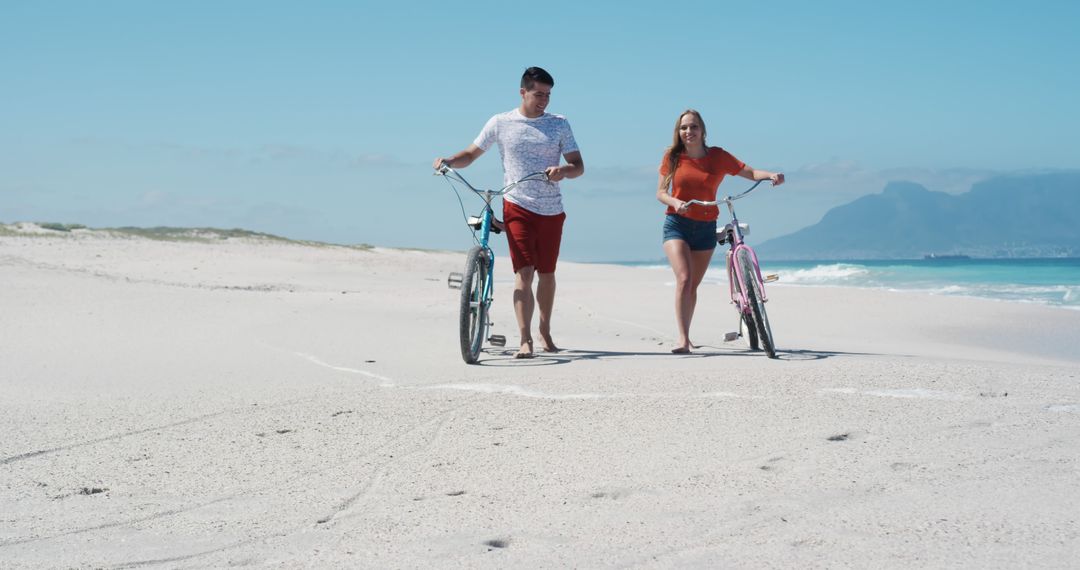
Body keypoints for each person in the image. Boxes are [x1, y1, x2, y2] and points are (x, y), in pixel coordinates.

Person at [433, 67, 584, 359]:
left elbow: (578, 165)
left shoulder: (559, 124)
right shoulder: (501, 122)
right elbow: (471, 154)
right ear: (523, 92)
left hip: (552, 208)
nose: (544, 101)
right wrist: (448, 160)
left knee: (547, 273)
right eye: (538, 94)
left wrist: (563, 171)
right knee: (524, 272)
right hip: (517, 204)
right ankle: (525, 338)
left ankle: (544, 331)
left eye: (548, 95)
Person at [656, 109, 784, 354]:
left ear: (702, 130)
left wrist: (771, 176)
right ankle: (683, 340)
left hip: (705, 226)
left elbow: (748, 172)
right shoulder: (672, 157)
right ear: (678, 132)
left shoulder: (718, 156)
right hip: (677, 224)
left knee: (692, 285)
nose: (688, 132)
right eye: (684, 128)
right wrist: (675, 202)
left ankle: (688, 335)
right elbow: (661, 192)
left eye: (693, 127)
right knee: (684, 278)